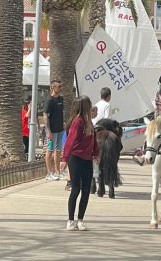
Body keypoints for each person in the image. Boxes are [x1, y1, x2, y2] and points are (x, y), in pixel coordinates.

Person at [60, 96, 100, 231]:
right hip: (75, 158)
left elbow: (94, 140)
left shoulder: (90, 123)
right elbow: (70, 141)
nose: (91, 108)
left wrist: (96, 153)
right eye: (89, 105)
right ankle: (70, 220)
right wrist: (64, 159)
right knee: (76, 188)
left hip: (87, 159)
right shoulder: (78, 122)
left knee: (86, 190)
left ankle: (80, 220)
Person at [44, 79, 65, 181]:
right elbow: (45, 116)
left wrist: (63, 123)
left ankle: (57, 171)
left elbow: (60, 113)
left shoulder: (61, 99)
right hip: (52, 131)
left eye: (61, 86)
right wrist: (48, 131)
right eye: (59, 86)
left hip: (60, 129)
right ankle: (49, 173)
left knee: (58, 150)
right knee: (50, 150)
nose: (60, 88)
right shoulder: (49, 100)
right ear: (53, 87)